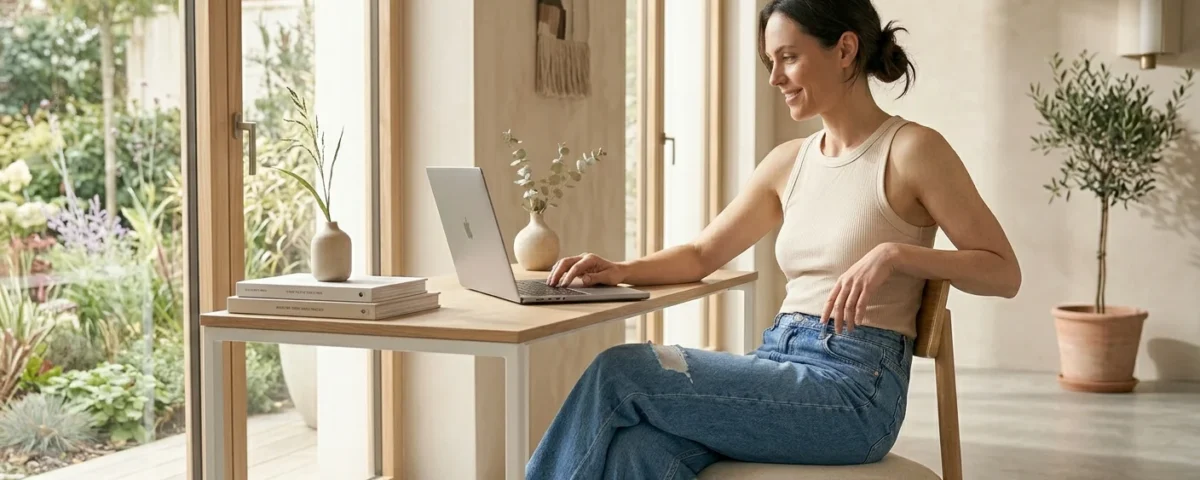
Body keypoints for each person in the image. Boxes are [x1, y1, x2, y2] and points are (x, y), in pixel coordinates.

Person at [526, 0, 1021, 478]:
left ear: (845, 50)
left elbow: (1003, 272)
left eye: (789, 57)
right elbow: (702, 254)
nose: (775, 78)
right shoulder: (788, 162)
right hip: (779, 363)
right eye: (770, 61)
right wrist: (620, 270)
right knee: (642, 448)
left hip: (855, 391)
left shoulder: (913, 150)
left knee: (622, 370)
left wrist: (896, 255)